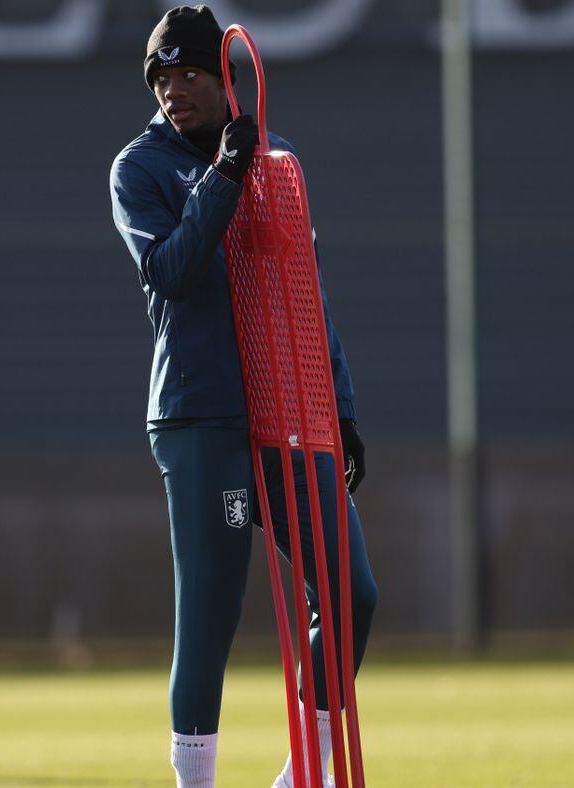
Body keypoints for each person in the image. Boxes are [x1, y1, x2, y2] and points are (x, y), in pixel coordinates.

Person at [109, 6, 378, 786]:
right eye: (161, 78)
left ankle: (303, 774)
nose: (174, 91)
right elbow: (172, 272)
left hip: (290, 405)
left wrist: (343, 406)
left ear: (226, 79)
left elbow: (304, 292)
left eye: (189, 74)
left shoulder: (280, 157)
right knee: (211, 617)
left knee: (352, 592)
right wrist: (224, 176)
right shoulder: (139, 167)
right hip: (203, 415)